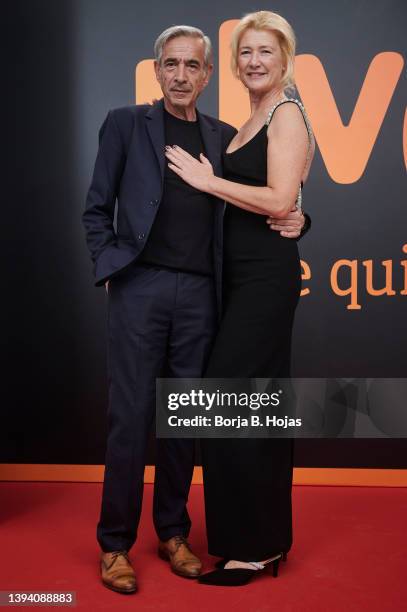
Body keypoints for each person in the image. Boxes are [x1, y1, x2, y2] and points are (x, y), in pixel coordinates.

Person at [83, 24, 307, 594]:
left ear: (208, 75)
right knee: (130, 420)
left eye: (193, 66)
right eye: (171, 64)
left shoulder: (225, 136)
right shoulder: (126, 124)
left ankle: (174, 532)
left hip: (204, 296)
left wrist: (302, 217)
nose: (181, 75)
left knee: (184, 419)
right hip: (140, 289)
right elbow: (95, 209)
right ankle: (115, 546)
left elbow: (264, 196)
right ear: (157, 70)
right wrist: (111, 267)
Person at [165, 11, 315, 586]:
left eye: (265, 52)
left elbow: (279, 200)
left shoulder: (286, 112)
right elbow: (282, 202)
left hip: (265, 282)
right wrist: (295, 212)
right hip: (238, 278)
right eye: (245, 52)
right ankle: (258, 541)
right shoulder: (251, 118)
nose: (254, 61)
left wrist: (209, 182)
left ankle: (252, 547)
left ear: (285, 58)